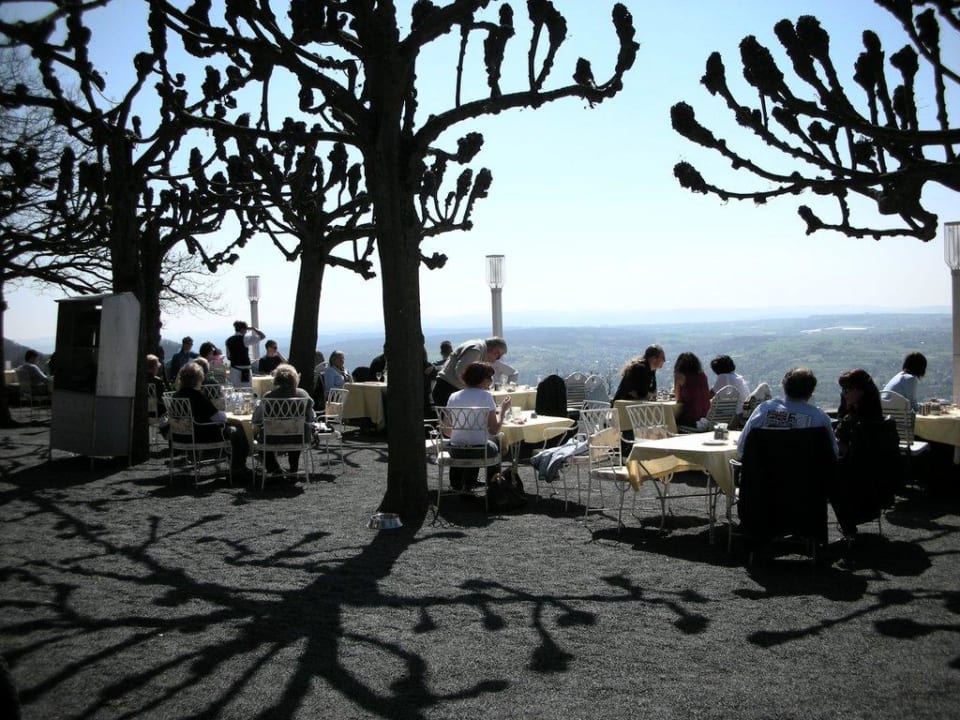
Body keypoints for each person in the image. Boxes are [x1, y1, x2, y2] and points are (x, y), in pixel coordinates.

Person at [738, 367, 839, 457]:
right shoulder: (820, 417)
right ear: (811, 391)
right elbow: (833, 453)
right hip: (808, 476)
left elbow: (742, 447)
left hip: (763, 476)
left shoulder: (764, 411)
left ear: (784, 386)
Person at [172, 362, 251, 477]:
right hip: (202, 434)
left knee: (234, 430)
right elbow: (218, 417)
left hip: (180, 436)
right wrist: (227, 415)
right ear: (199, 378)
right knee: (238, 431)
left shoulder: (176, 395)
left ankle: (237, 466)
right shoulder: (197, 396)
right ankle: (238, 467)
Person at [445, 361, 511, 491]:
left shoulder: (453, 396)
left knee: (474, 442)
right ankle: (493, 485)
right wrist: (503, 410)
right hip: (479, 450)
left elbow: (447, 431)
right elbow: (494, 430)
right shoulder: (486, 396)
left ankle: (461, 484)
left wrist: (464, 434)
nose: (491, 381)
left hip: (455, 450)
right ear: (482, 379)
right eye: (489, 377)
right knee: (494, 442)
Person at [252, 363, 316, 475]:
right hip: (298, 437)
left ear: (276, 379)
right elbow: (311, 419)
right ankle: (294, 469)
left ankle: (275, 469)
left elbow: (256, 420)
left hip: (272, 438)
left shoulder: (268, 397)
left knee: (259, 441)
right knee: (297, 430)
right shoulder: (303, 394)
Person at [432, 337, 508, 408]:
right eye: (498, 356)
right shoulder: (476, 350)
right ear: (494, 350)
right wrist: (476, 389)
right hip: (447, 389)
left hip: (448, 388)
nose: (497, 359)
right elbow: (461, 371)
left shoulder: (478, 348)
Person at [674, 351, 710, 428]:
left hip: (691, 419)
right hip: (705, 418)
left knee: (670, 421)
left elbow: (678, 399)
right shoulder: (703, 375)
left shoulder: (679, 375)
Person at [225, 321, 266, 388]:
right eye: (246, 329)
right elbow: (262, 336)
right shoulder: (245, 339)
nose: (247, 331)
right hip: (245, 369)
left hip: (234, 369)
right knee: (247, 390)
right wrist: (254, 329)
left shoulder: (228, 340)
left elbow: (229, 356)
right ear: (242, 329)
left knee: (235, 389)